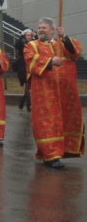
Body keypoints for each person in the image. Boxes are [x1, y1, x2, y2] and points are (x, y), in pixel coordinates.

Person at [24, 17, 84, 169]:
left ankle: (62, 151)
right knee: (46, 121)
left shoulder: (61, 44)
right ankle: (50, 155)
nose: (41, 30)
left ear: (53, 30)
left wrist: (64, 36)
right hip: (44, 93)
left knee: (64, 120)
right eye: (40, 27)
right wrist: (50, 62)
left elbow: (75, 53)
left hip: (64, 93)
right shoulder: (32, 45)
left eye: (44, 27)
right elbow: (31, 60)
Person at [14, 28, 34, 111]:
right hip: (23, 65)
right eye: (27, 35)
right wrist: (21, 36)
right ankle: (29, 104)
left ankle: (23, 101)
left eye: (30, 35)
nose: (29, 37)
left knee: (29, 85)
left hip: (32, 64)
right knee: (27, 83)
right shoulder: (22, 42)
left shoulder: (34, 43)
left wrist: (35, 36)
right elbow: (16, 45)